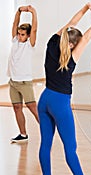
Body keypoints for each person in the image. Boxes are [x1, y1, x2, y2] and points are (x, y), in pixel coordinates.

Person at [37, 3, 91, 174]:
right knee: (70, 149)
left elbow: (70, 24)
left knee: (45, 145)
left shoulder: (52, 42)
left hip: (44, 99)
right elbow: (86, 38)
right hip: (60, 103)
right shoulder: (71, 58)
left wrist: (84, 9)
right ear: (73, 45)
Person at [7, 5, 39, 143]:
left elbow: (35, 29)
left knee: (32, 107)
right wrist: (19, 11)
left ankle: (47, 130)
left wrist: (33, 13)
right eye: (19, 34)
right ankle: (23, 134)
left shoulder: (29, 44)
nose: (19, 36)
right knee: (17, 107)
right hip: (13, 82)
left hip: (25, 82)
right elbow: (15, 23)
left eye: (22, 34)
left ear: (28, 35)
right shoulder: (15, 41)